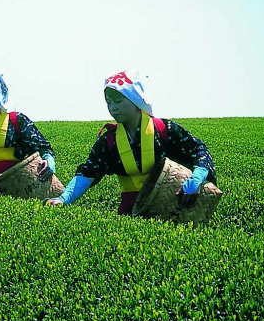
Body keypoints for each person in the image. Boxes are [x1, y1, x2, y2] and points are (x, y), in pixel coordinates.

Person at [46, 70, 216, 214]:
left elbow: (199, 150)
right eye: (109, 102)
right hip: (131, 209)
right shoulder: (109, 141)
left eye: (118, 101)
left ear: (135, 101)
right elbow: (88, 173)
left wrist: (197, 177)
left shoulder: (165, 129)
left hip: (174, 204)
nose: (113, 107)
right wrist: (64, 198)